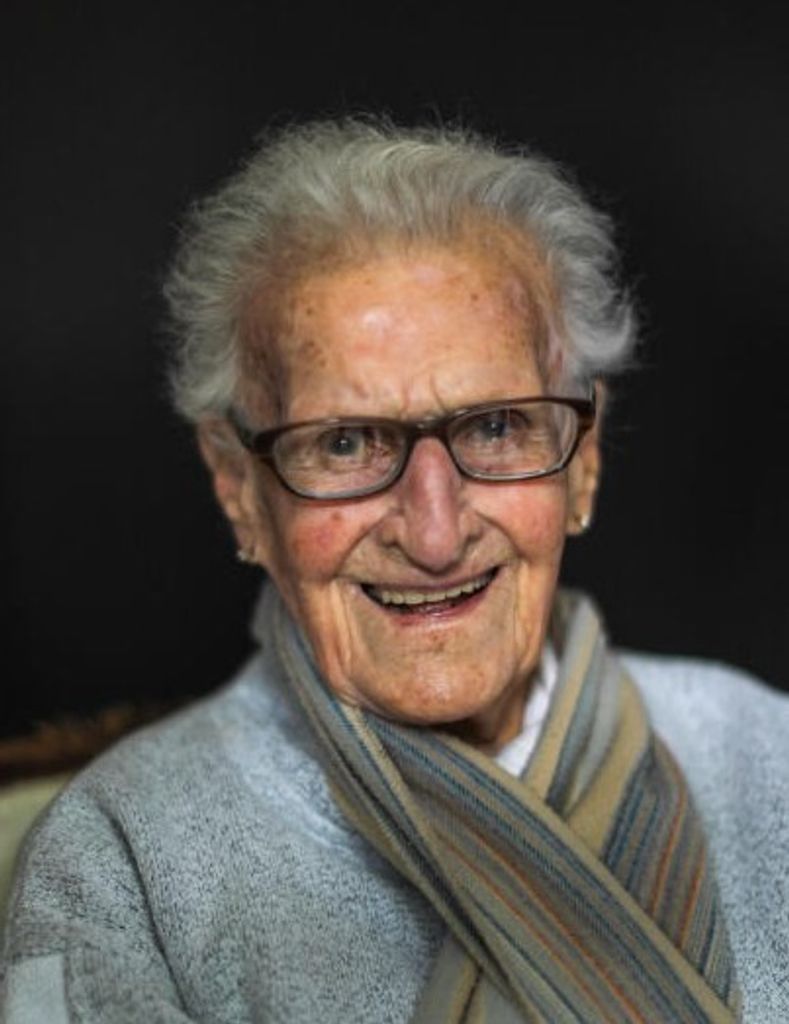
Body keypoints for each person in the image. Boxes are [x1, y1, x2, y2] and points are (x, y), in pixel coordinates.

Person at [1, 119, 787, 1023]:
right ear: (239, 490)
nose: (435, 533)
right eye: (345, 443)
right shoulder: (121, 864)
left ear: (584, 460)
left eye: (495, 427)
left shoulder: (767, 755)